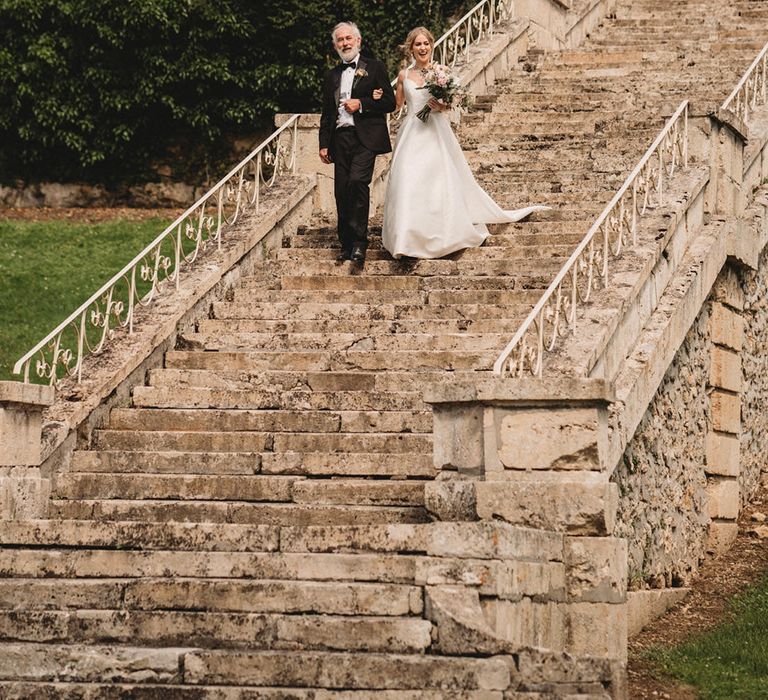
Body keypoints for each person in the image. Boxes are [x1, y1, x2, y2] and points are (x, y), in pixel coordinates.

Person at [381, 27, 549, 259]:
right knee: (408, 179)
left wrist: (440, 106)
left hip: (435, 131)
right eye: (418, 44)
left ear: (431, 46)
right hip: (412, 132)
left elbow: (450, 104)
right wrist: (377, 97)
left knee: (438, 181)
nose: (422, 48)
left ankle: (440, 234)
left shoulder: (441, 71)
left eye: (426, 44)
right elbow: (396, 106)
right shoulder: (403, 76)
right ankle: (406, 239)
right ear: (411, 48)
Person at [319, 21, 396, 265]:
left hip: (366, 137)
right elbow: (327, 113)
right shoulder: (331, 75)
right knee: (341, 191)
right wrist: (323, 144)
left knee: (357, 183)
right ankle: (346, 244)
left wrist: (361, 104)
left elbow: (389, 103)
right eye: (340, 40)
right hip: (339, 139)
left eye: (348, 38)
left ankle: (361, 243)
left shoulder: (375, 68)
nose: (345, 43)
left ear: (358, 41)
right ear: (335, 45)